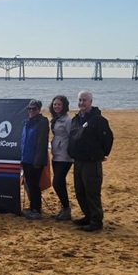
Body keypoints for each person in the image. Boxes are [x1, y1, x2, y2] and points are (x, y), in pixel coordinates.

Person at [68, 91, 113, 232]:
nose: (82, 103)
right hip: (78, 160)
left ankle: (96, 220)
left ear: (91, 102)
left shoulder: (98, 120)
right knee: (80, 190)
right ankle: (87, 216)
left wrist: (101, 154)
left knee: (92, 191)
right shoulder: (76, 119)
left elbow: (107, 139)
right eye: (80, 100)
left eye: (84, 100)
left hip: (91, 162)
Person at [20, 99, 50, 220]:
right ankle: (32, 207)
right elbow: (23, 141)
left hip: (35, 160)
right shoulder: (27, 122)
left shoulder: (42, 122)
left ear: (39, 110)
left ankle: (36, 210)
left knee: (34, 185)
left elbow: (42, 143)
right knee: (29, 184)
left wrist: (37, 161)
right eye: (30, 109)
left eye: (34, 109)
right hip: (26, 159)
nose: (31, 111)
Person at [49, 95, 73, 221]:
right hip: (56, 155)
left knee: (57, 183)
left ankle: (67, 208)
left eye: (59, 104)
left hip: (65, 156)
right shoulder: (55, 119)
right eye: (54, 104)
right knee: (60, 182)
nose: (56, 106)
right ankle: (64, 209)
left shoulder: (67, 121)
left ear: (64, 106)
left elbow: (72, 137)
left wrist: (70, 151)